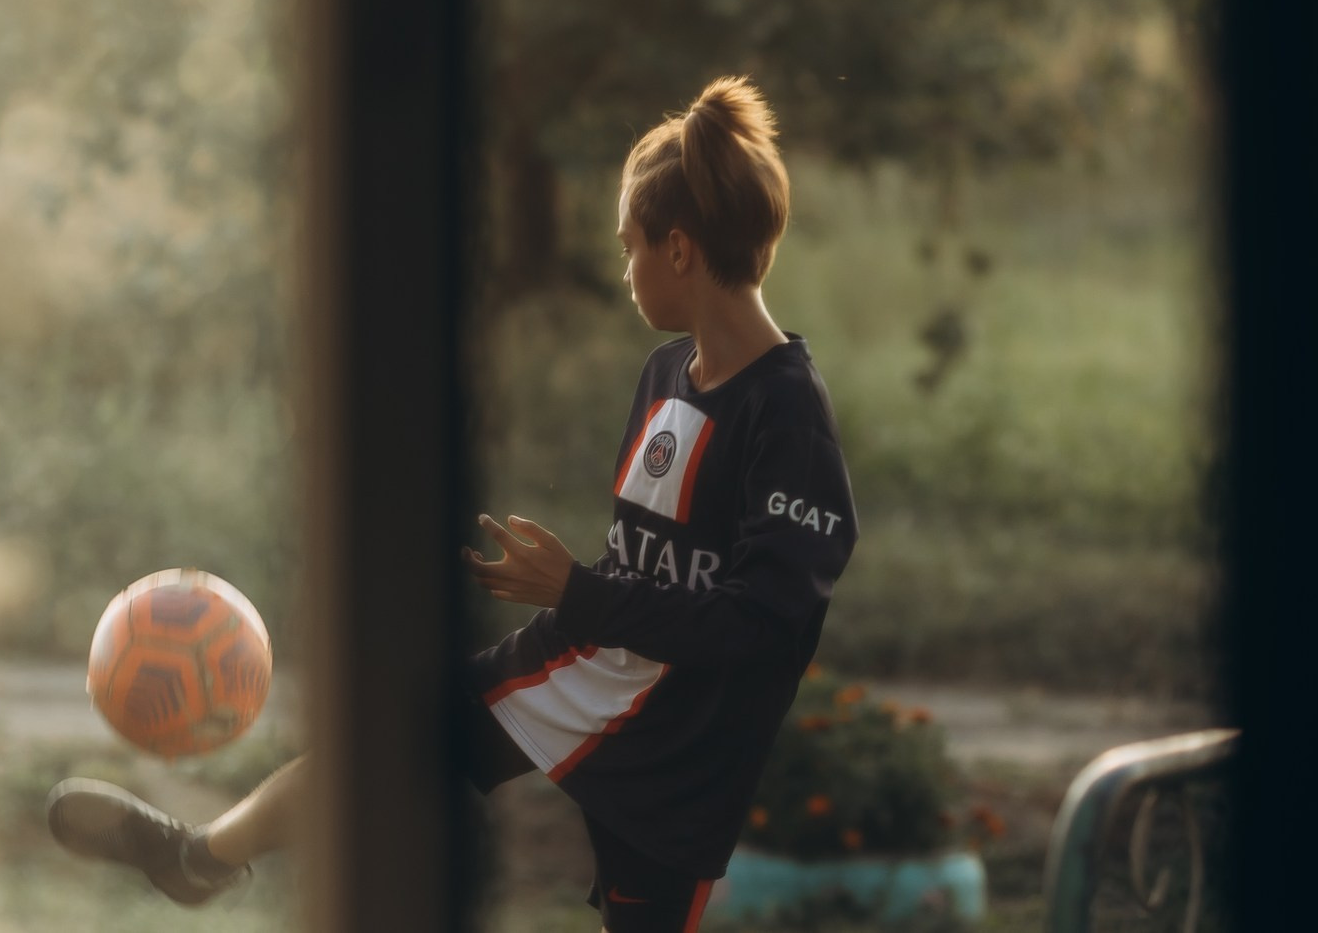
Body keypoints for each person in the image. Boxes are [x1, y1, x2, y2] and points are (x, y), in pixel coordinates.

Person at [47, 77, 858, 932]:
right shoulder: (665, 374)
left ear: (681, 251)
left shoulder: (788, 416)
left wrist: (579, 589)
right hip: (583, 656)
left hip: (685, 748)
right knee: (394, 739)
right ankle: (195, 858)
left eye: (631, 248)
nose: (626, 271)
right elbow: (651, 566)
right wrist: (577, 596)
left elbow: (756, 626)